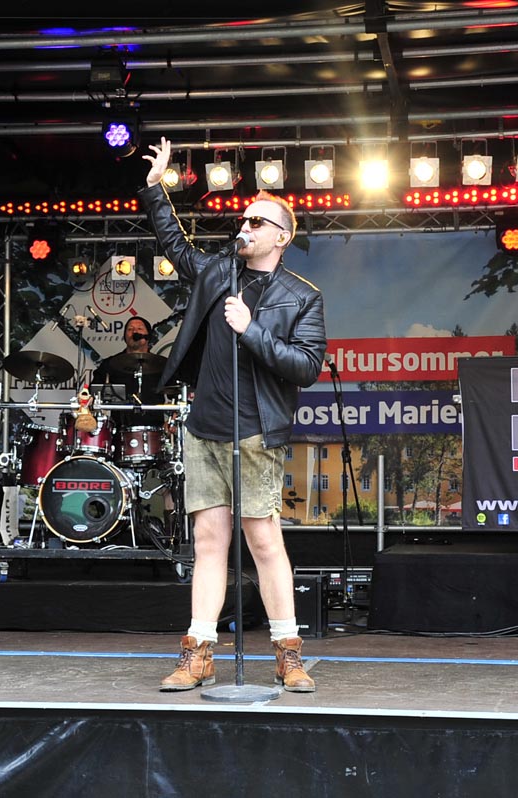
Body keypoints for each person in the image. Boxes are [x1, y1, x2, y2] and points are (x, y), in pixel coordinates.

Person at [141, 136, 326, 692]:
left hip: (256, 433)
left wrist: (253, 330)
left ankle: (287, 651)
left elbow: (306, 367)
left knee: (265, 541)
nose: (244, 225)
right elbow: (174, 244)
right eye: (243, 217)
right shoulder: (219, 273)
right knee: (209, 543)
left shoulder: (302, 297)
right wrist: (156, 188)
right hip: (206, 429)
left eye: (257, 221)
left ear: (282, 237)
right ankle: (198, 651)